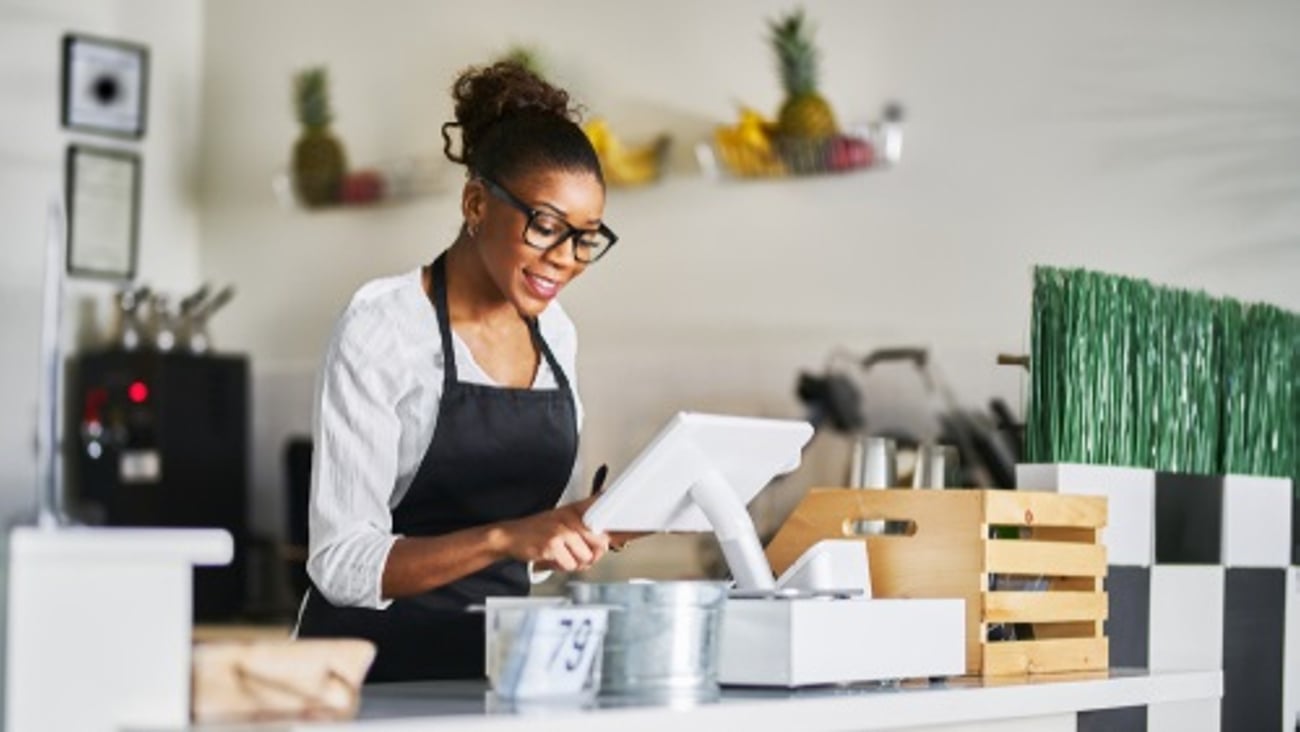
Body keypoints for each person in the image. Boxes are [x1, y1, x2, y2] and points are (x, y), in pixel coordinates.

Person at [296, 61, 623, 682]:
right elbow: (339, 563)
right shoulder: (384, 327)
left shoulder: (556, 334)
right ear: (476, 202)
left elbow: (530, 549)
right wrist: (506, 538)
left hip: (492, 675)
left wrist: (587, 526)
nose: (566, 260)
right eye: (547, 226)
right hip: (366, 678)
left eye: (585, 238)